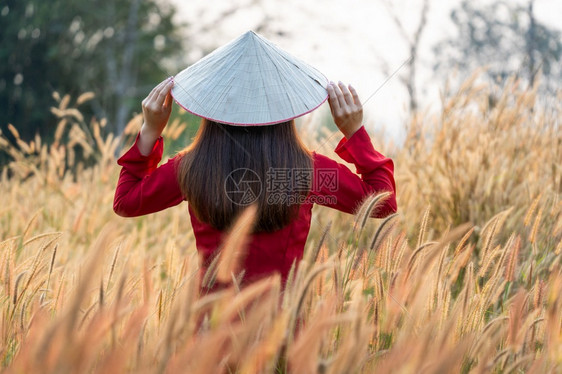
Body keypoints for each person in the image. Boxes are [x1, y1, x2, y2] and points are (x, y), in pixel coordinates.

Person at [113, 31, 397, 293]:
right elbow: (382, 202)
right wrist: (354, 133)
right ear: (286, 108)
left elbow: (125, 202)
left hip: (210, 337)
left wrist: (150, 130)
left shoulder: (191, 168)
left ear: (211, 107)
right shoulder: (307, 172)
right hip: (281, 332)